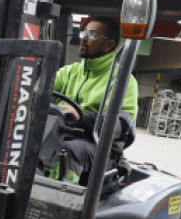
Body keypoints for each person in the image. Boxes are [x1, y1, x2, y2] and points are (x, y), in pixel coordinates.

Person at [51, 16, 138, 183]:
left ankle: (61, 202)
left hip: (99, 147)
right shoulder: (68, 72)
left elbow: (119, 126)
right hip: (61, 133)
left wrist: (81, 118)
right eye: (84, 32)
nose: (83, 37)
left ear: (109, 45)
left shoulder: (123, 80)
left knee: (65, 151)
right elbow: (37, 93)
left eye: (92, 34)